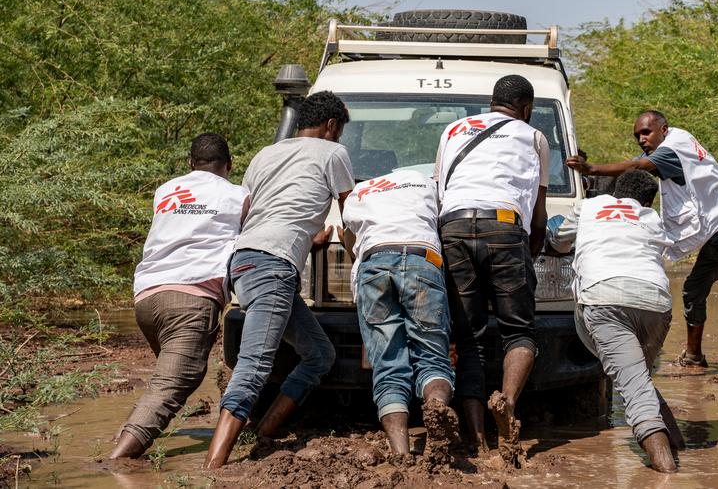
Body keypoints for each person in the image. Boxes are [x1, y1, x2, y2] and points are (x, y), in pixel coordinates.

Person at [565, 110, 718, 386]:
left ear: (663, 129)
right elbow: (632, 171)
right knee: (693, 290)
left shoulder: (674, 146)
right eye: (637, 136)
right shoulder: (669, 147)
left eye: (646, 132)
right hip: (715, 230)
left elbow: (636, 168)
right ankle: (694, 357)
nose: (641, 139)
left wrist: (592, 169)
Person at [203, 91, 354, 469]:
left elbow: (251, 211)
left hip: (244, 260)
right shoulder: (333, 153)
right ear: (332, 126)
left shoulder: (264, 154)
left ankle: (265, 431)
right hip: (274, 265)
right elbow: (353, 214)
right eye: (339, 132)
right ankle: (213, 466)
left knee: (320, 355)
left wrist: (307, 237)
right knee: (254, 366)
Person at [109, 133, 248, 460]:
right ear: (229, 164)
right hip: (191, 298)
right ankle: (115, 464)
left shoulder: (166, 190)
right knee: (173, 385)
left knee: (164, 381)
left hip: (147, 298)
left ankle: (124, 435)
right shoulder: (238, 196)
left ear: (190, 164)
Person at [434, 74, 548, 465]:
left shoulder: (453, 129)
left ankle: (477, 438)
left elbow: (440, 192)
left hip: (454, 225)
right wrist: (527, 256)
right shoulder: (532, 137)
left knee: (469, 339)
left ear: (491, 101)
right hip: (504, 224)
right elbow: (538, 215)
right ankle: (508, 403)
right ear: (527, 109)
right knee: (519, 331)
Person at [547, 170, 681, 473]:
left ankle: (668, 475)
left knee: (634, 388)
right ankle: (678, 444)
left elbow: (558, 242)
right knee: (637, 380)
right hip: (656, 301)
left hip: (604, 296)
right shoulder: (649, 215)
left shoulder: (588, 207)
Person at [340, 169, 459, 459]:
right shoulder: (429, 184)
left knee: (389, 365)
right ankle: (436, 407)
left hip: (374, 260)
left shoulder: (361, 190)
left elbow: (348, 238)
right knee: (433, 358)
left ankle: (402, 454)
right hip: (422, 258)